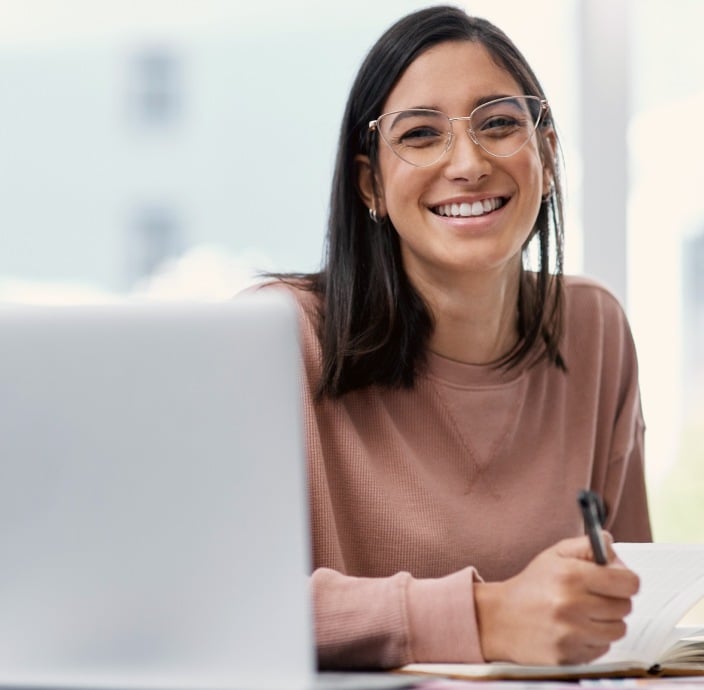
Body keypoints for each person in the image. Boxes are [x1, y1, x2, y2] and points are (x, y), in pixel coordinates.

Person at [252, 5, 651, 671]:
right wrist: (485, 617)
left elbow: (633, 614)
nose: (467, 163)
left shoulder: (595, 329)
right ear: (369, 183)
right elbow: (216, 608)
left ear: (546, 157)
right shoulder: (275, 339)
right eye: (420, 134)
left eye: (498, 124)